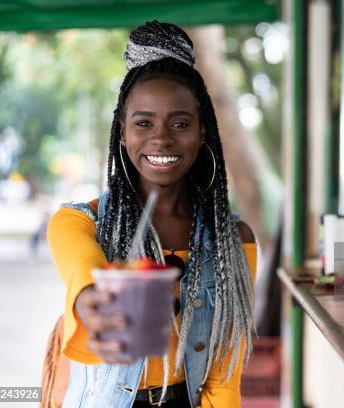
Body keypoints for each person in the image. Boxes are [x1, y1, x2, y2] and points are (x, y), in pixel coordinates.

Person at [47, 21, 257, 408]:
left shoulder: (234, 240)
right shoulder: (79, 224)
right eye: (143, 123)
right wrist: (93, 304)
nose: (162, 138)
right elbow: (83, 276)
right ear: (123, 133)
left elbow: (224, 378)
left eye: (180, 123)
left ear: (202, 132)